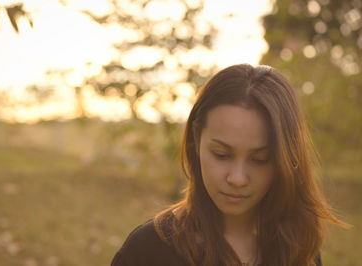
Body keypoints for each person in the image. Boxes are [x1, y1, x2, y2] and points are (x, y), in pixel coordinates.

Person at [111, 64, 345, 266]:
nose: (238, 178)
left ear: (285, 160)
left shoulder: (296, 247)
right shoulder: (147, 251)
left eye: (259, 159)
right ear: (195, 142)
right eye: (221, 155)